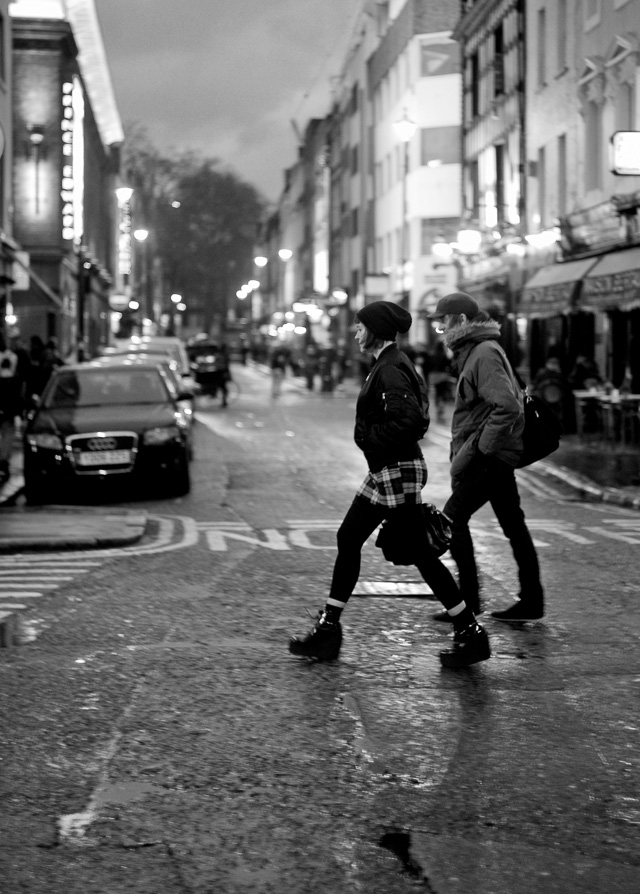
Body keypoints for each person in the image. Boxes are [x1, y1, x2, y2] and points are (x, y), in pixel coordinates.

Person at [288, 300, 491, 669]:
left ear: (376, 329)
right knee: (349, 538)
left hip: (396, 469)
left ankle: (469, 631)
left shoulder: (393, 367)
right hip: (386, 469)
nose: (355, 332)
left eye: (360, 326)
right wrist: (371, 439)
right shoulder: (386, 364)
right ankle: (329, 629)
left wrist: (368, 436)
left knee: (419, 552)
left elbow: (411, 422)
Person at [427, 292, 544, 622]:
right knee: (513, 526)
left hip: (490, 456)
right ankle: (531, 600)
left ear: (461, 321)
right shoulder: (476, 351)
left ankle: (467, 602)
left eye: (443, 322)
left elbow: (507, 405)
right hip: (495, 454)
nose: (440, 329)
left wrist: (482, 449)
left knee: (452, 519)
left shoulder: (484, 353)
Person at [0, 335, 22, 485]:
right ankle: (3, 461)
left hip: (5, 397)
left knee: (6, 432)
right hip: (9, 398)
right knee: (8, 432)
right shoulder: (13, 357)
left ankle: (3, 462)